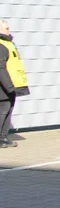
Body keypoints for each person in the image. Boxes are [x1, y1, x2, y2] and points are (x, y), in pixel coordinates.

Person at [0, 19, 30, 149]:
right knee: (3, 111)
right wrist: (9, 86)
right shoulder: (1, 45)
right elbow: (1, 68)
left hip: (12, 85)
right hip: (4, 86)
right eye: (6, 28)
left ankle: (3, 137)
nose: (9, 30)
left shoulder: (9, 43)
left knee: (8, 111)